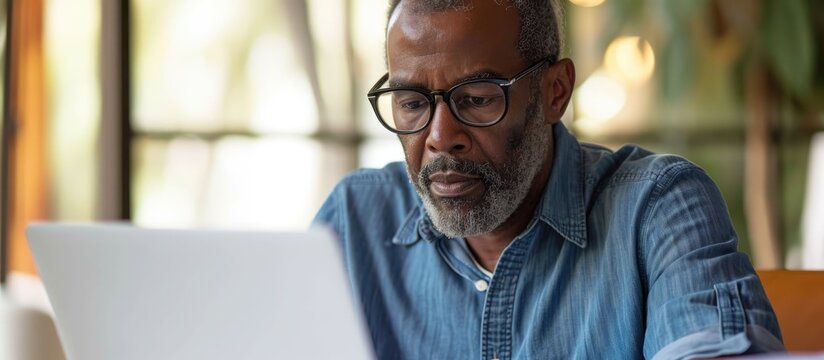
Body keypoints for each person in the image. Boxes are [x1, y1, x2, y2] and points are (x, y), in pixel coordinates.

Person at [313, 0, 784, 358]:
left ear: (554, 92)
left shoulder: (658, 209)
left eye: (477, 98)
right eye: (412, 102)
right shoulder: (353, 222)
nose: (440, 138)